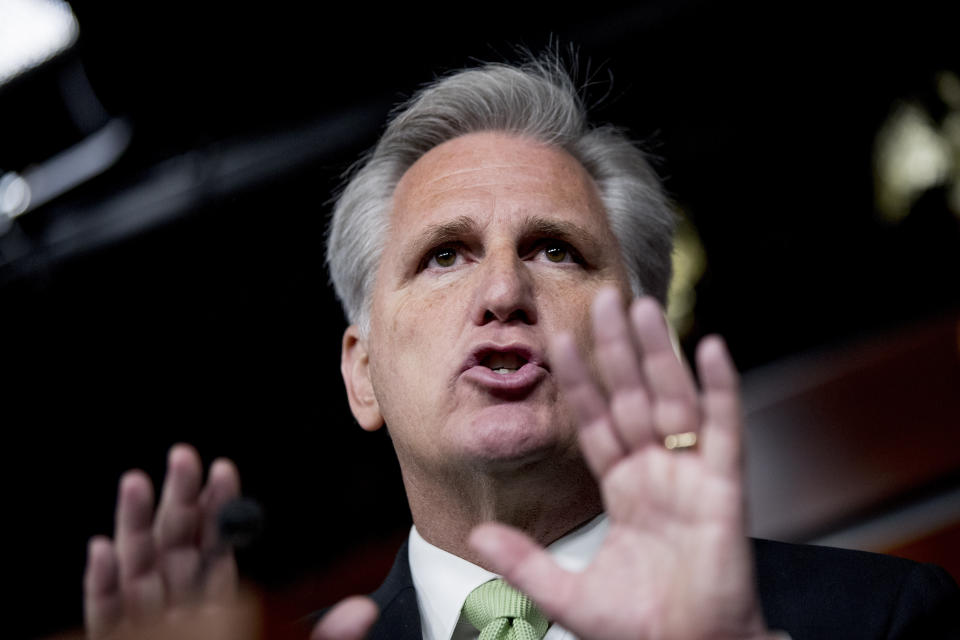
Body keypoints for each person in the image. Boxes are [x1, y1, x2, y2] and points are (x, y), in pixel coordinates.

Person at [83, 54, 959, 640]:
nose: (503, 293)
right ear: (362, 373)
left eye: (555, 250)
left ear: (645, 343)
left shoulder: (886, 619)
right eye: (445, 255)